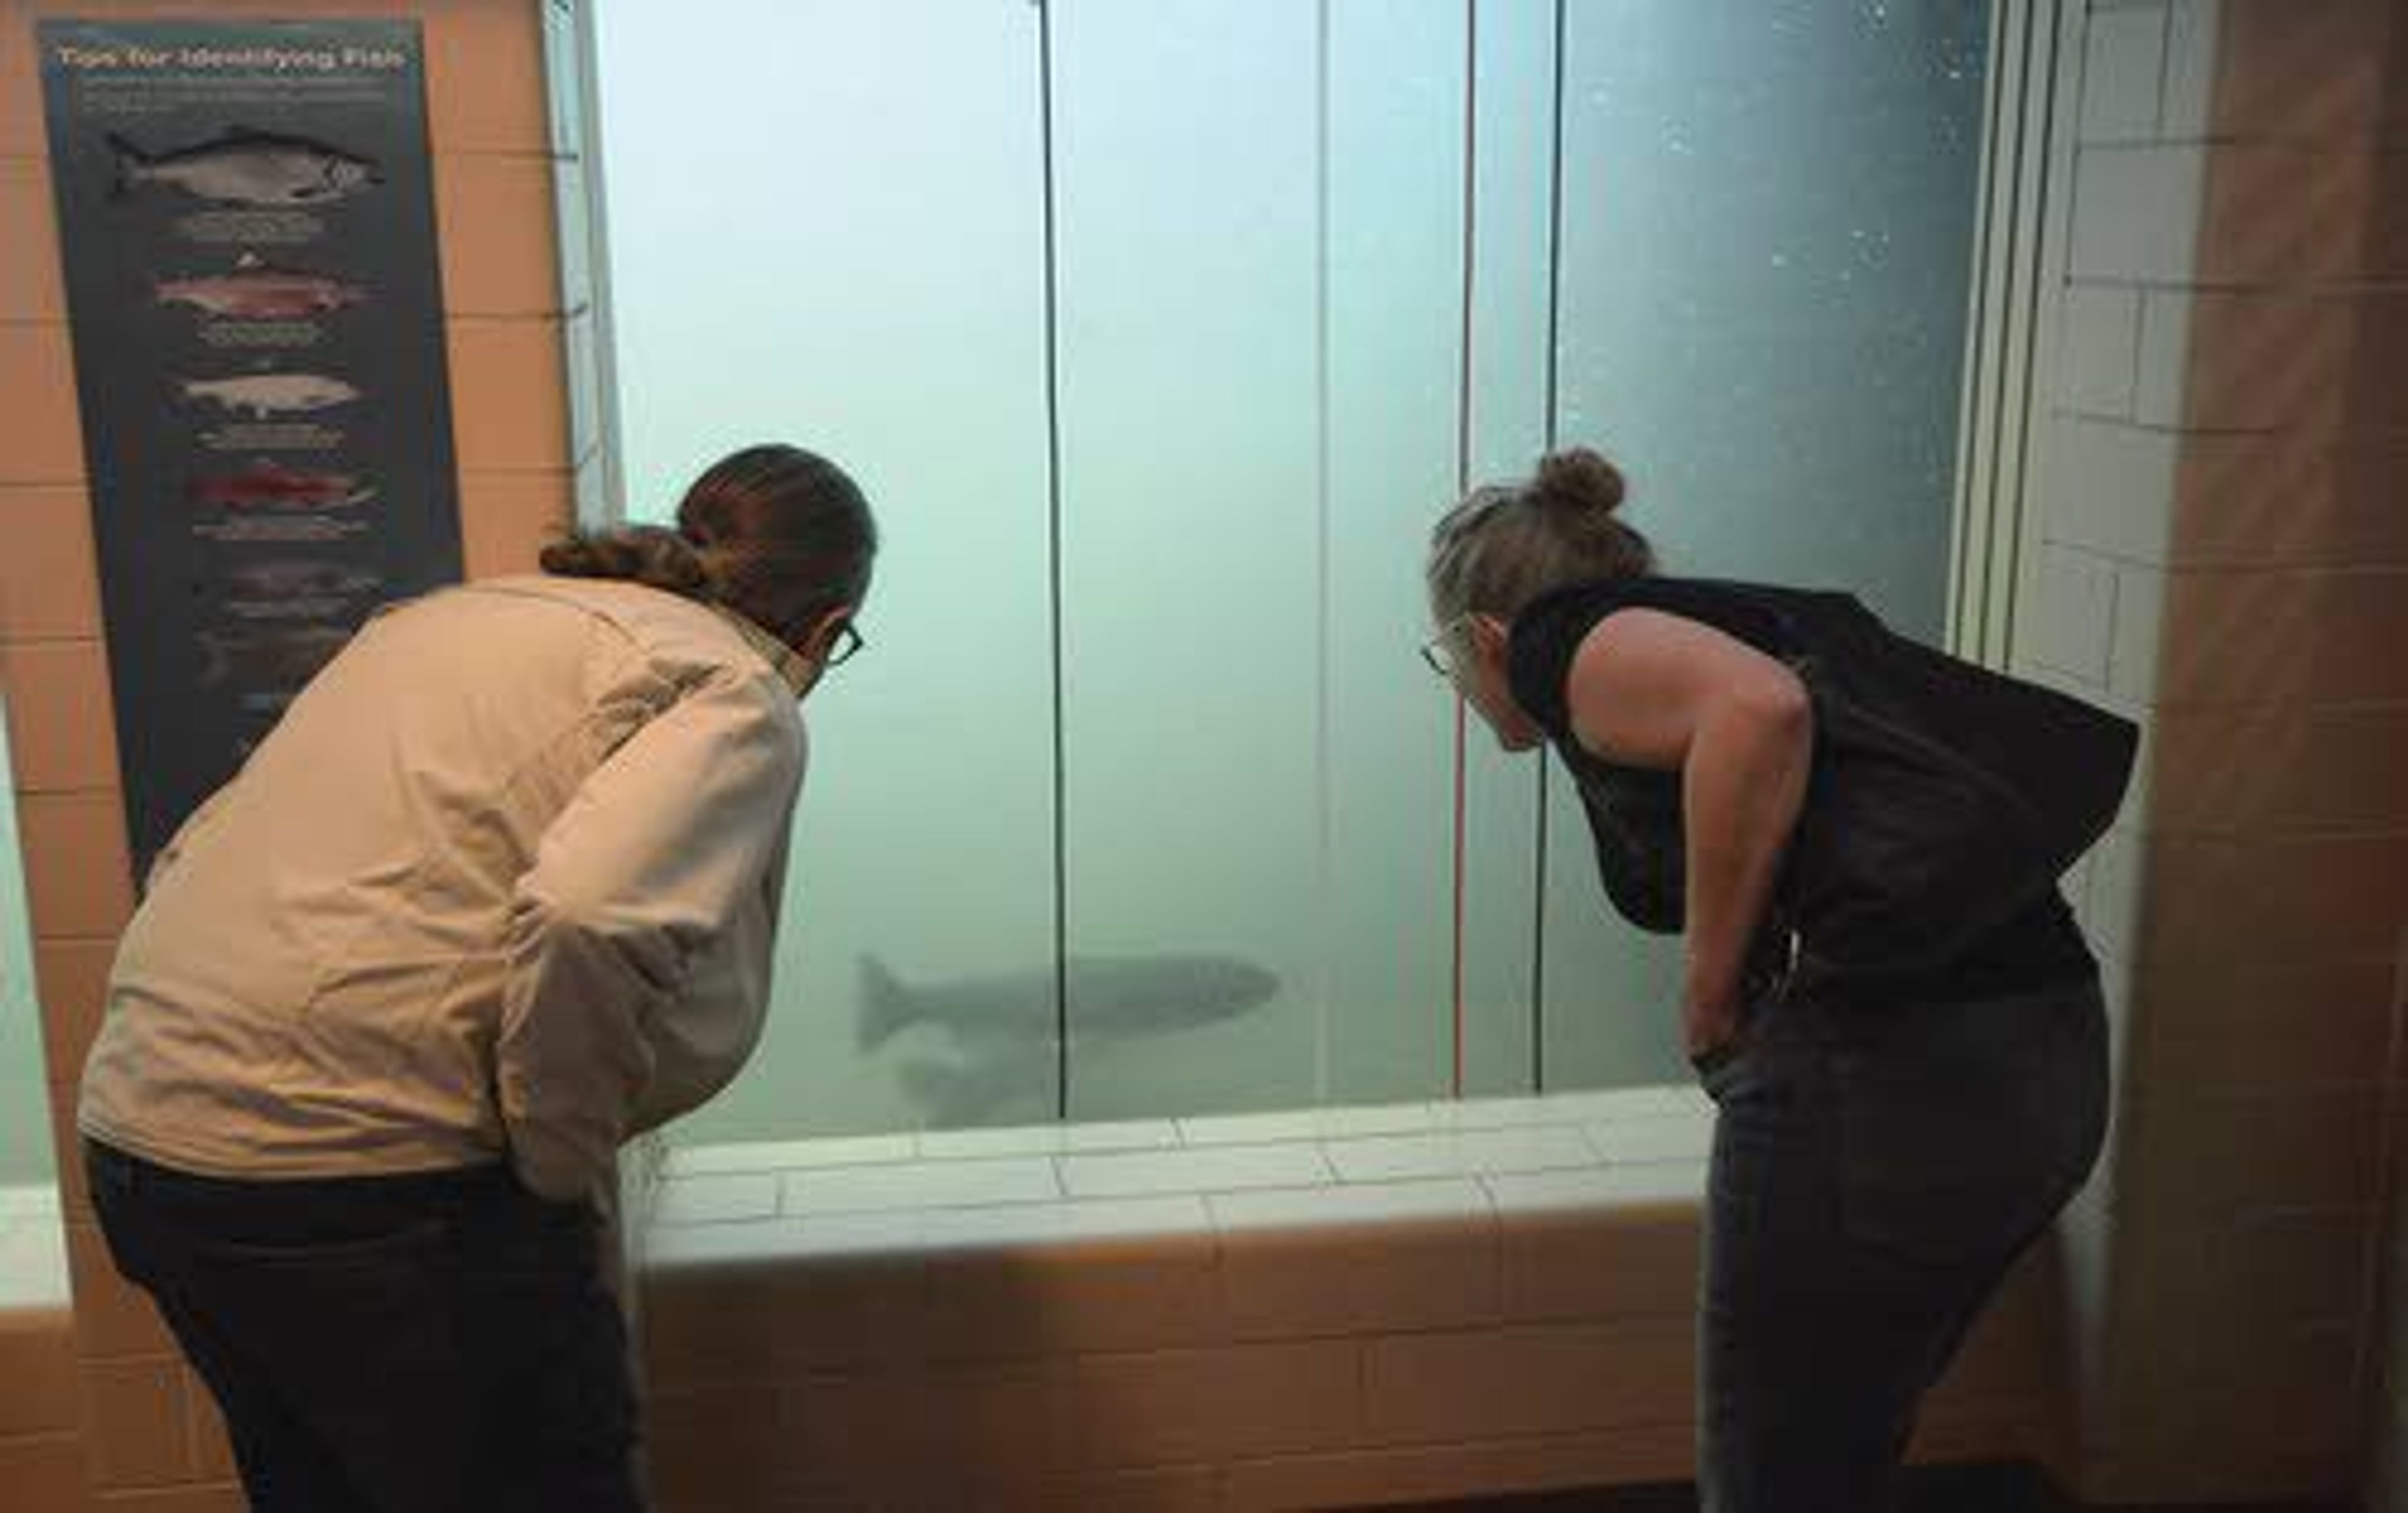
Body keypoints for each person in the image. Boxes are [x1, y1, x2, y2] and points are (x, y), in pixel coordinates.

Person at [78, 443, 876, 1513]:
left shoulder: (440, 622)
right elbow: (592, 916)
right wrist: (553, 1172)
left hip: (147, 1150)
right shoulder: (734, 689)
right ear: (825, 629)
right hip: (363, 1191)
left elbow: (193, 848)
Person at [1423, 447, 2118, 1512]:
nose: (1462, 688)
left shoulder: (1566, 641)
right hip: (2046, 1059)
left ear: (1483, 638)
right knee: (1841, 1446)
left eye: (1446, 660)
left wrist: (1707, 995)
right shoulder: (1726, 615)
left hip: (1892, 1070)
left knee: (1775, 1474)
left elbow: (1760, 712)